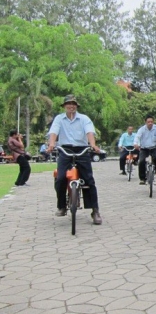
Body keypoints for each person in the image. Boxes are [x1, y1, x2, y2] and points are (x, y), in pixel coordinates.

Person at [46, 95, 102, 225]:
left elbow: (89, 132)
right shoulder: (59, 119)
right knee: (60, 178)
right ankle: (62, 206)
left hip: (82, 149)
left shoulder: (84, 119)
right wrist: (51, 144)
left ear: (76, 106)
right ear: (64, 106)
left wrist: (92, 144)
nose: (71, 106)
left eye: (73, 104)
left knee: (89, 180)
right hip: (65, 150)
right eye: (68, 104)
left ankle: (95, 210)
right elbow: (53, 132)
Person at [134, 116, 156, 185]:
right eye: (148, 122)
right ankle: (142, 178)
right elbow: (137, 137)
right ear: (145, 122)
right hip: (144, 148)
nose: (150, 123)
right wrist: (136, 144)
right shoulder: (141, 129)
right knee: (141, 161)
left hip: (155, 147)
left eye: (151, 122)